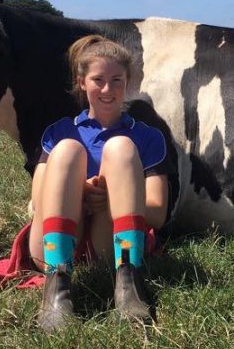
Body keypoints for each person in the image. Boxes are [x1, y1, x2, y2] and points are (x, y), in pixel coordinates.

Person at [30, 34, 171, 332]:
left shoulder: (147, 136)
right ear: (82, 82)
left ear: (128, 82)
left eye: (117, 80)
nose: (108, 89)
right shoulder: (59, 132)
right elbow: (39, 206)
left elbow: (157, 213)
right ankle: (57, 290)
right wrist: (79, 193)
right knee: (68, 150)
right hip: (52, 242)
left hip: (112, 244)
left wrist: (112, 197)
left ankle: (128, 285)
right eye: (98, 80)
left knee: (120, 147)